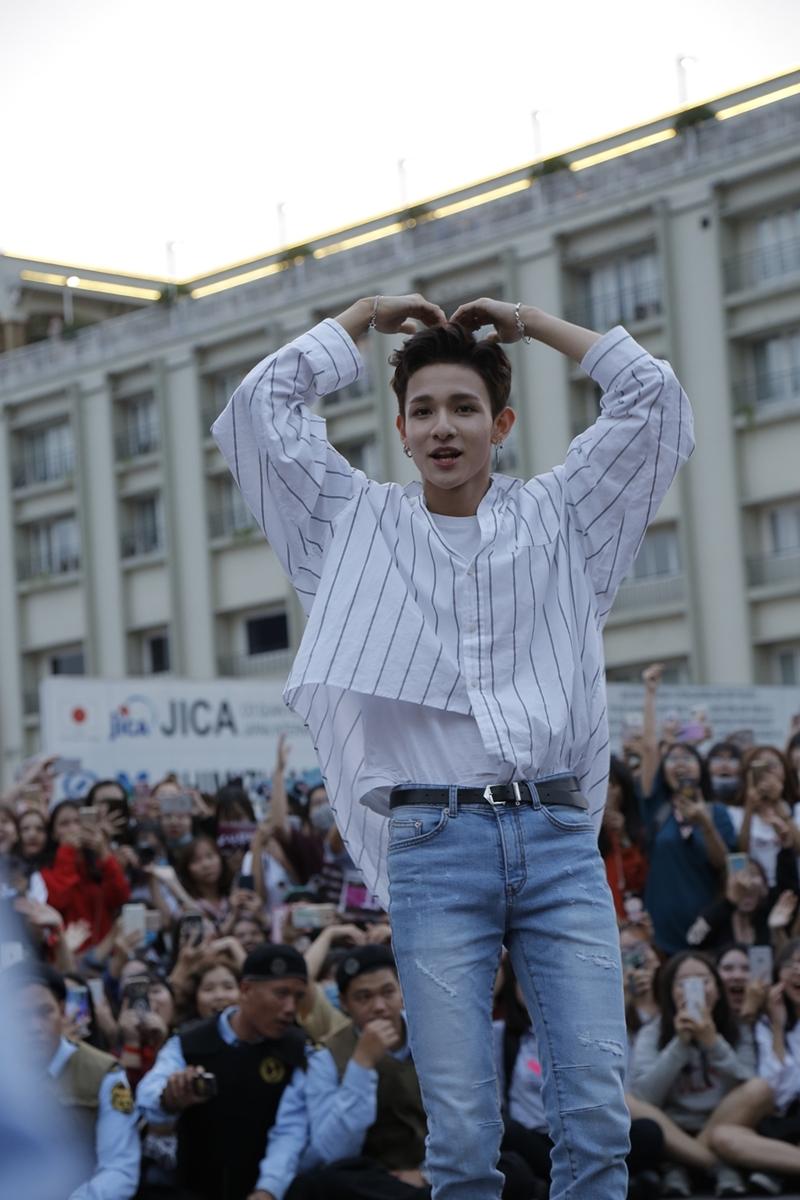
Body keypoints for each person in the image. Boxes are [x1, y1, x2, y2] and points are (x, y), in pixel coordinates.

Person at [213, 290, 694, 1200]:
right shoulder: (354, 525)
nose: (444, 427)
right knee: (463, 1134)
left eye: (465, 407)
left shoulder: (562, 515)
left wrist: (531, 324)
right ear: (399, 429)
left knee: (598, 1118)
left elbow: (655, 401)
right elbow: (258, 412)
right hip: (434, 846)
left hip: (557, 840)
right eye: (424, 410)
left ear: (501, 424)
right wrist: (360, 317)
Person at [137, 943, 312, 1200]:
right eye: (281, 994)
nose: (290, 1008)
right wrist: (170, 1097)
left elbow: (291, 1131)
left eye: (298, 997)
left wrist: (268, 1189)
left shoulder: (298, 1051)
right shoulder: (189, 1042)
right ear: (246, 990)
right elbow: (148, 1095)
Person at [628, 950, 770, 1196]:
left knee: (760, 1088)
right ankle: (715, 1165)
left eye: (703, 981)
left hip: (724, 1124)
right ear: (670, 992)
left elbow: (746, 1085)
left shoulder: (737, 1028)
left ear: (718, 988)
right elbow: (645, 1096)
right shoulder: (652, 1032)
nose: (695, 990)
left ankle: (682, 1165)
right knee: (628, 1101)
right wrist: (680, 1044)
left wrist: (713, 1042)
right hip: (674, 1129)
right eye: (683, 983)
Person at [8, 959, 141, 1199]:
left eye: (44, 1012)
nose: (34, 1026)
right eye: (21, 1016)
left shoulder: (104, 1072)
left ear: (62, 1010)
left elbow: (119, 1168)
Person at [642, 742, 737, 954]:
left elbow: (723, 864)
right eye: (672, 759)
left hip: (707, 926)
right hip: (661, 929)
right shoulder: (656, 811)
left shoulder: (718, 812)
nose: (680, 764)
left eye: (687, 758)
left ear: (701, 768)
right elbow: (648, 750)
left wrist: (705, 823)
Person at [40, 801, 131, 950]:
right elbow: (59, 900)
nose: (73, 829)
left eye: (77, 822)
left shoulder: (100, 862)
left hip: (105, 951)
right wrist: (67, 851)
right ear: (54, 834)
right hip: (67, 954)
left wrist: (104, 852)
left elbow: (120, 898)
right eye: (64, 824)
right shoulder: (45, 871)